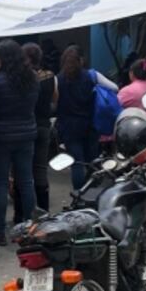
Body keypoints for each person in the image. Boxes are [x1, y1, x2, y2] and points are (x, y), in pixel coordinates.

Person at [0, 39, 39, 245]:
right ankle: (29, 228)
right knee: (26, 181)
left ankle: (0, 231)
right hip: (26, 135)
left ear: (0, 58)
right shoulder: (32, 78)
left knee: (0, 183)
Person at [56, 44, 118, 190]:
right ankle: (93, 193)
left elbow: (54, 100)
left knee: (77, 163)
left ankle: (79, 194)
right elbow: (115, 88)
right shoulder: (92, 75)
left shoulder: (57, 79)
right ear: (81, 61)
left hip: (69, 127)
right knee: (93, 161)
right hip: (90, 124)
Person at [13, 42, 57, 222]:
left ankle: (21, 214)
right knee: (40, 169)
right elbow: (55, 101)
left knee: (21, 172)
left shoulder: (19, 78)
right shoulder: (50, 76)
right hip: (43, 126)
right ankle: (44, 212)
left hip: (23, 127)